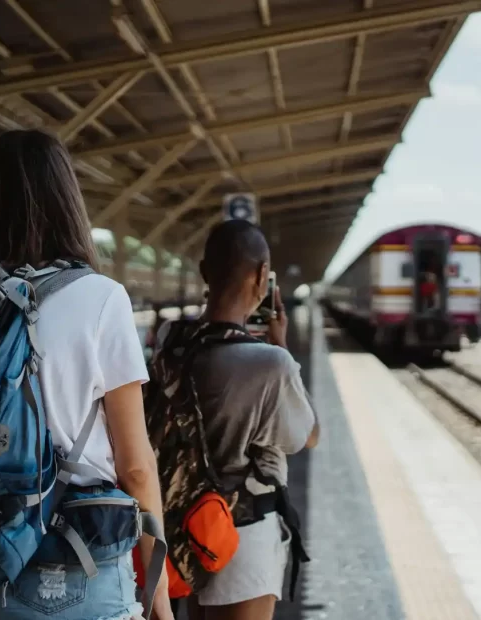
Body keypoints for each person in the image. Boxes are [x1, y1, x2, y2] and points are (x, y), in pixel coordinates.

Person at [0, 129, 173, 620]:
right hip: (79, 565)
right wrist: (159, 598)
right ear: (67, 202)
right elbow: (135, 466)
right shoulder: (101, 298)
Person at [155, 220, 319, 620]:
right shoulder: (270, 363)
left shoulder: (169, 342)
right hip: (243, 532)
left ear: (203, 271)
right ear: (262, 276)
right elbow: (308, 436)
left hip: (184, 527)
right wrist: (281, 346)